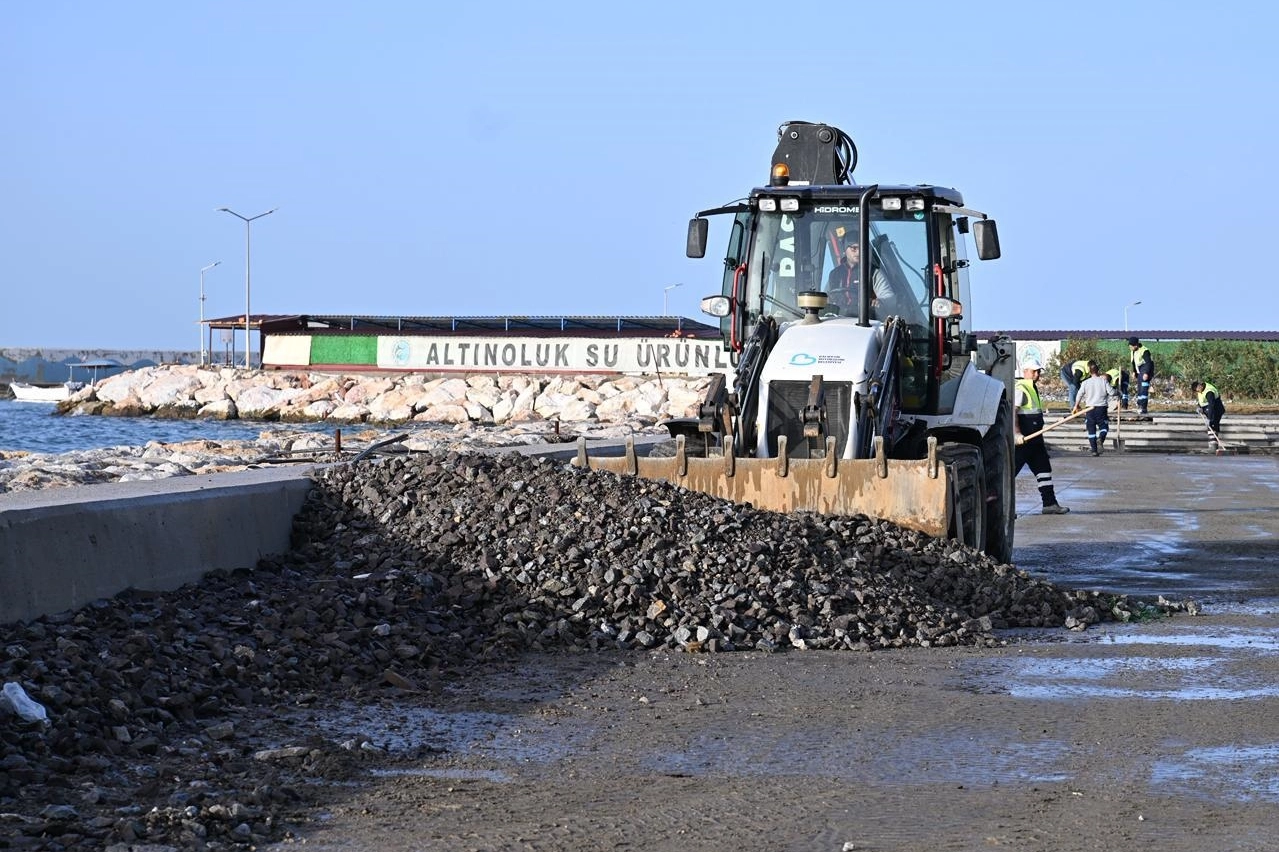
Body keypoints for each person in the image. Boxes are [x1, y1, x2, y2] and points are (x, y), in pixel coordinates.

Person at [1013, 358, 1069, 514]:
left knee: (1044, 470)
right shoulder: (1021, 388)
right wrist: (1016, 433)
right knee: (1009, 474)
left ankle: (1049, 504)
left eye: (1038, 371)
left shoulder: (1032, 388)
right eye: (1034, 371)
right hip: (1023, 442)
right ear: (1025, 372)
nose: (1037, 374)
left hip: (1035, 440)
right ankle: (1003, 509)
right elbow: (1013, 413)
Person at [825, 237, 892, 317]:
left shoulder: (873, 272)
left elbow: (889, 297)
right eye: (854, 248)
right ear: (845, 250)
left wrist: (879, 301)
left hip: (866, 319)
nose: (858, 252)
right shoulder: (834, 274)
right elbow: (826, 296)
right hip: (838, 318)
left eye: (861, 248)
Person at [1071, 361, 1113, 456]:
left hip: (1089, 409)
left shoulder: (1085, 382)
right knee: (1104, 427)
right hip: (1101, 408)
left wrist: (1076, 405)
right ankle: (1101, 439)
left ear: (1089, 372)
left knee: (1091, 430)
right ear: (1098, 371)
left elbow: (1079, 394)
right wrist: (1118, 393)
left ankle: (1094, 450)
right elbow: (1111, 392)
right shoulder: (1103, 381)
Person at [1191, 380, 1226, 450]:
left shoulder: (1209, 392)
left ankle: (1213, 447)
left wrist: (1210, 419)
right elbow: (1201, 400)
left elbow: (1211, 405)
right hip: (1210, 410)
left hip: (1216, 410)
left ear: (1199, 386)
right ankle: (1213, 446)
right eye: (1196, 391)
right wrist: (1199, 407)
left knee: (1213, 425)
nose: (1198, 392)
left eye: (1197, 390)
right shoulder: (1201, 390)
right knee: (1211, 426)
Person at [1127, 337, 1155, 415]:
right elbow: (1133, 362)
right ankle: (1139, 406)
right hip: (1139, 371)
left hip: (1145, 371)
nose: (1130, 347)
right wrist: (1134, 372)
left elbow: (1148, 363)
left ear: (1135, 345)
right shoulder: (1133, 351)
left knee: (1143, 390)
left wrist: (1146, 373)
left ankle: (1143, 408)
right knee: (1139, 390)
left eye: (1131, 346)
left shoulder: (1144, 351)